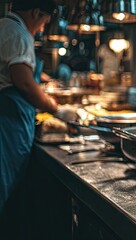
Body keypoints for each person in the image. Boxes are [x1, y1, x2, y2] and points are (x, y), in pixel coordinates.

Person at [0, 0, 60, 217]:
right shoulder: (18, 33)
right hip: (6, 127)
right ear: (36, 12)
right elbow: (23, 82)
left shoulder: (5, 26)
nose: (43, 27)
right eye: (45, 21)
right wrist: (54, 107)